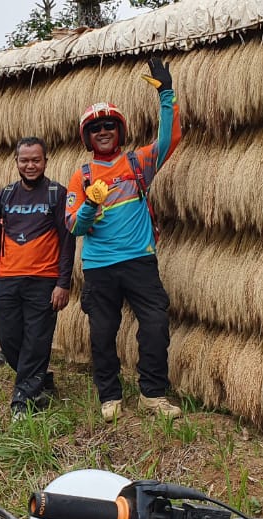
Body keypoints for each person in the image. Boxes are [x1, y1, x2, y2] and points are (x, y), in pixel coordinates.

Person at [66, 58, 182, 422]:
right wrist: (90, 207)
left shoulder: (138, 163)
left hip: (139, 260)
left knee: (155, 325)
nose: (103, 131)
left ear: (119, 130)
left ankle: (152, 393)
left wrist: (166, 94)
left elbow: (170, 138)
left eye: (109, 126)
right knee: (102, 333)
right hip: (99, 267)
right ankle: (110, 395)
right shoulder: (81, 175)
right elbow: (73, 226)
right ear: (87, 136)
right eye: (96, 128)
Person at [0, 137, 74, 419]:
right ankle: (40, 379)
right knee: (8, 338)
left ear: (45, 161)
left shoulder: (57, 193)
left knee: (37, 339)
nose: (30, 165)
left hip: (43, 281)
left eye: (36, 160)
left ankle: (22, 400)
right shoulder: (5, 195)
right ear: (16, 162)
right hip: (7, 279)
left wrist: (63, 282)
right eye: (24, 160)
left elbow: (67, 242)